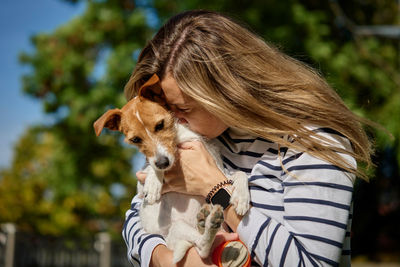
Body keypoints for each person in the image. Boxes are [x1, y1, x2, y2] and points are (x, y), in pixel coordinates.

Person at [122, 10, 375, 267]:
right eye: (168, 109)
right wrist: (166, 260)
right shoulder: (209, 134)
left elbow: (312, 263)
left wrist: (215, 188)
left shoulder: (314, 142)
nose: (175, 122)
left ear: (225, 91)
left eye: (183, 109)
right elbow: (136, 216)